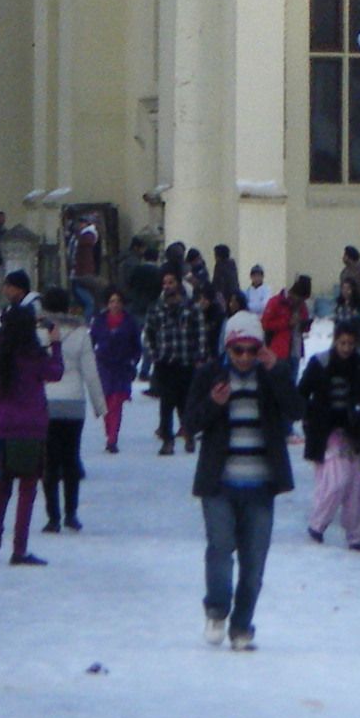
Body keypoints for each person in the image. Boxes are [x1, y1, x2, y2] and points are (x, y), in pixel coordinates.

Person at [194, 313, 297, 649]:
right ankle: (217, 608)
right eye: (237, 350)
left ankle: (242, 626)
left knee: (254, 564)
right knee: (221, 549)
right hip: (220, 483)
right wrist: (213, 403)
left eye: (251, 350)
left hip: (260, 485)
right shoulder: (210, 375)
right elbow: (189, 420)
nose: (244, 358)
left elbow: (296, 410)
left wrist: (277, 370)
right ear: (228, 348)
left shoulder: (270, 375)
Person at [0, 279, 51, 564]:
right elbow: (55, 372)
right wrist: (54, 345)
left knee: (2, 491)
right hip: (31, 426)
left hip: (2, 425)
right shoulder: (33, 355)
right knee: (27, 490)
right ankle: (19, 549)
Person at [297, 313, 360, 551]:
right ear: (335, 341)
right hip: (326, 429)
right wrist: (309, 416)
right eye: (342, 343)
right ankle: (318, 523)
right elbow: (302, 392)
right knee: (336, 479)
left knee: (357, 485)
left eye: (351, 344)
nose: (346, 348)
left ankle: (355, 535)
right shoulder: (320, 364)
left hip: (354, 430)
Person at [38, 286, 96, 533]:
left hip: (47, 401)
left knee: (50, 463)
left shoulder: (38, 333)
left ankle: (53, 517)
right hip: (74, 403)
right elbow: (90, 372)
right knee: (71, 458)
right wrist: (100, 405)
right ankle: (71, 513)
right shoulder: (81, 332)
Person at [145, 273, 210, 454]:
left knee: (186, 402)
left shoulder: (191, 308)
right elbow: (149, 333)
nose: (167, 286)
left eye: (171, 282)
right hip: (165, 362)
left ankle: (188, 433)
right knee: (166, 403)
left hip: (186, 361)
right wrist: (154, 354)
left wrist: (199, 355)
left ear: (178, 284)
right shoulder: (157, 309)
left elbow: (201, 332)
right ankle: (167, 440)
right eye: (164, 282)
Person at [91, 288, 142, 454]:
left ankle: (113, 437)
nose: (115, 304)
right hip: (104, 366)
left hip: (122, 366)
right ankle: (109, 430)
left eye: (118, 301)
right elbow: (91, 341)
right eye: (112, 301)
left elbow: (136, 345)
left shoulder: (130, 322)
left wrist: (134, 360)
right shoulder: (99, 321)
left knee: (116, 402)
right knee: (106, 401)